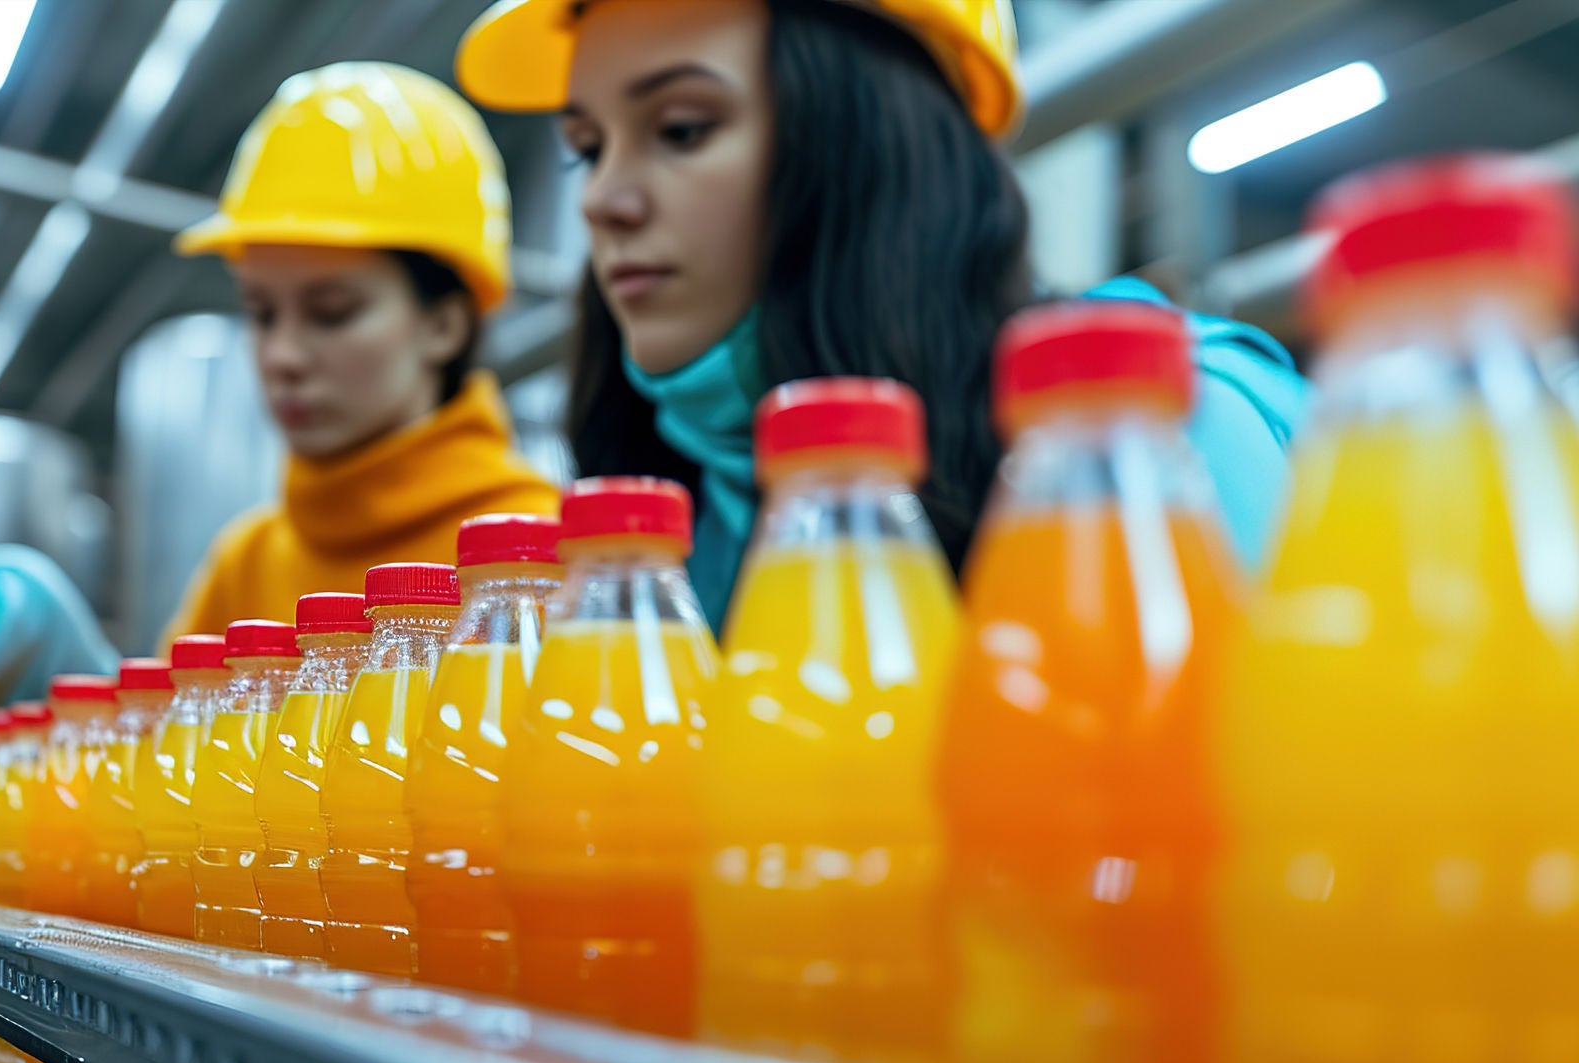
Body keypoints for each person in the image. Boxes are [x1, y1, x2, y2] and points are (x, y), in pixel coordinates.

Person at [454, 0, 1307, 628]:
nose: (603, 200)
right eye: (588, 150)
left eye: (680, 129)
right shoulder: (675, 526)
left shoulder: (1158, 435)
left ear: (870, 142)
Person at [0, 62, 558, 703]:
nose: (282, 354)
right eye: (260, 313)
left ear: (446, 325)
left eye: (332, 313)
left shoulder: (539, 558)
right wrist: (23, 641)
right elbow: (157, 775)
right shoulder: (249, 561)